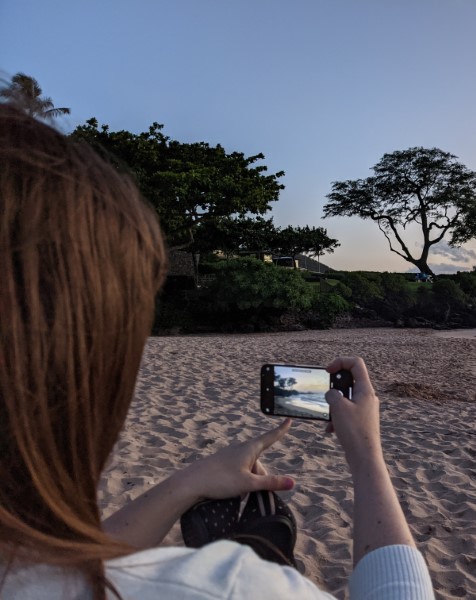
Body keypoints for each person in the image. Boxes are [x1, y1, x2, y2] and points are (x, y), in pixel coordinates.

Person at [0, 104, 434, 599]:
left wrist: (191, 482)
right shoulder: (230, 587)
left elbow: (56, 568)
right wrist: (368, 458)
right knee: (262, 540)